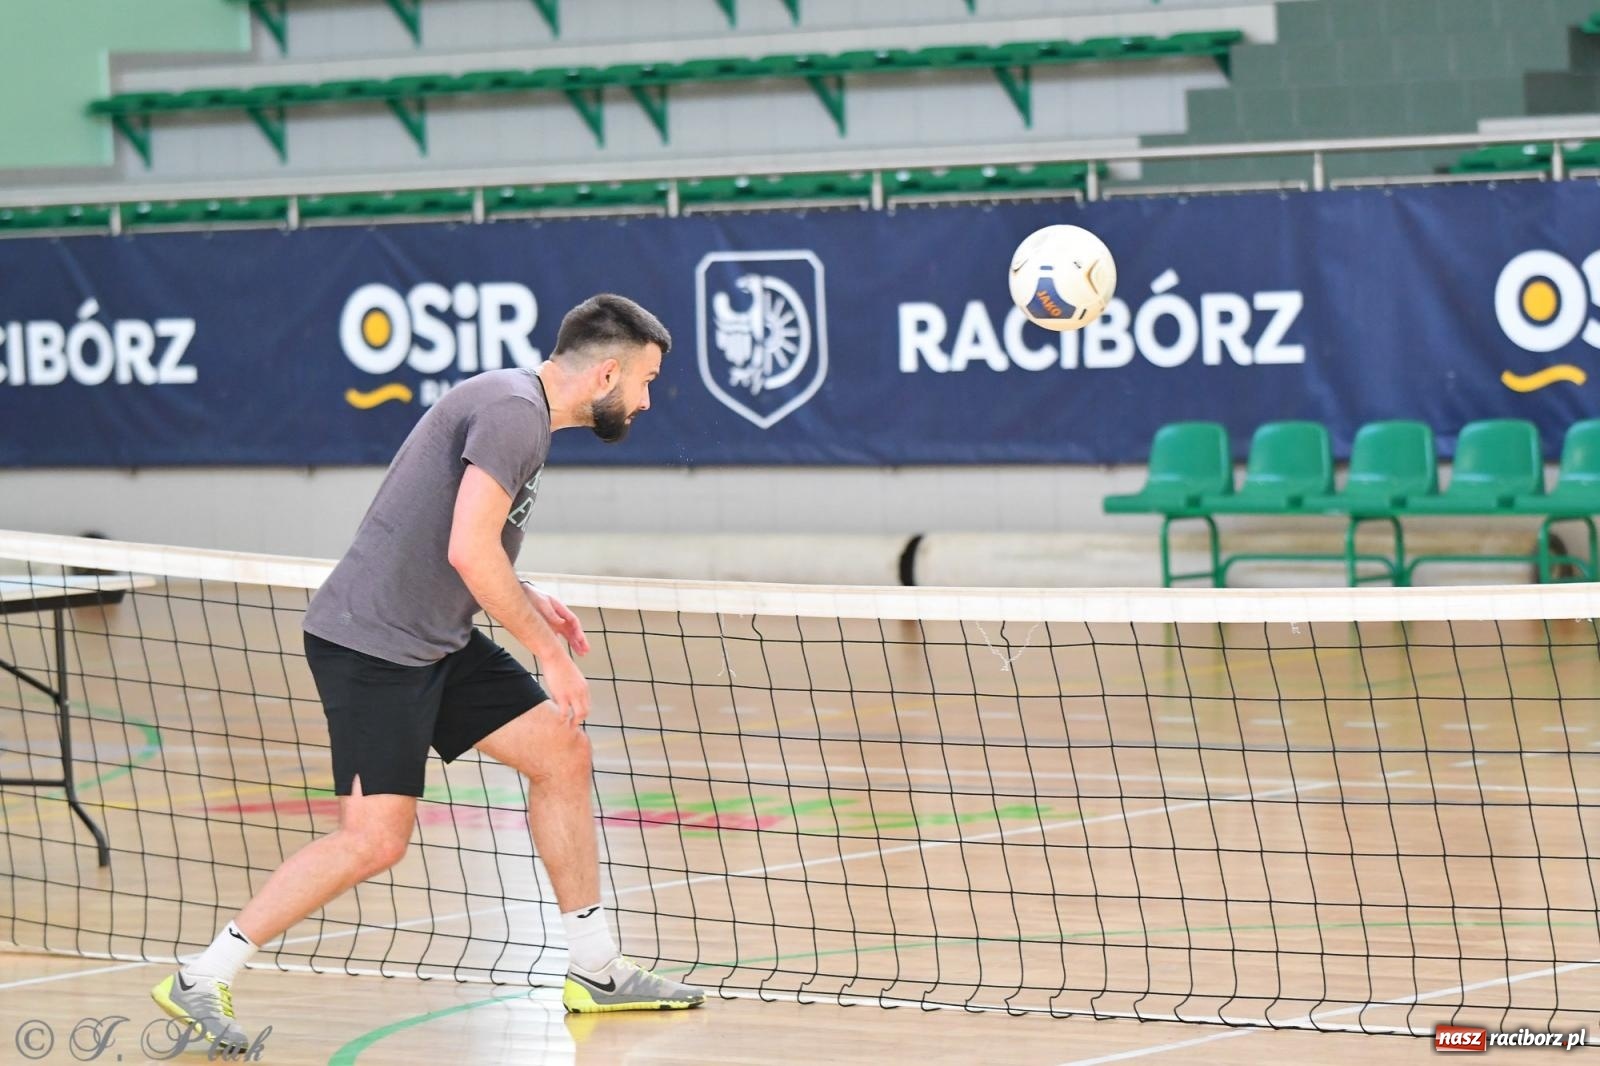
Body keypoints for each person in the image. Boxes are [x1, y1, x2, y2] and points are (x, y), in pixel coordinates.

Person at [151, 294, 703, 1051]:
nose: (644, 399)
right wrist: (547, 652)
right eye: (643, 380)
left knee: (561, 752)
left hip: (437, 638)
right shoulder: (513, 414)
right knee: (375, 841)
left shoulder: (520, 410)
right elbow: (467, 551)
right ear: (606, 372)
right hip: (373, 646)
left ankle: (595, 966)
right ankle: (202, 973)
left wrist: (529, 594)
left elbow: (467, 537)